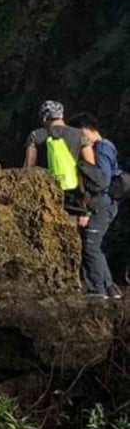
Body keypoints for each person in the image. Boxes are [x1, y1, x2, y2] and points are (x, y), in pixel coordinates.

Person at [69, 113, 122, 299]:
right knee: (95, 246)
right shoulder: (106, 147)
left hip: (102, 205)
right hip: (107, 204)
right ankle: (110, 288)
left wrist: (81, 166)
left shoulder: (101, 148)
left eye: (80, 132)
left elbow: (102, 180)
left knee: (90, 247)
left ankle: (97, 290)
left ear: (89, 129)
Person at [23, 100, 95, 216]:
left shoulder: (36, 135)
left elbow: (29, 167)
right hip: (74, 195)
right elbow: (90, 167)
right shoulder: (80, 135)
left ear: (44, 118)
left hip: (46, 195)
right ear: (61, 115)